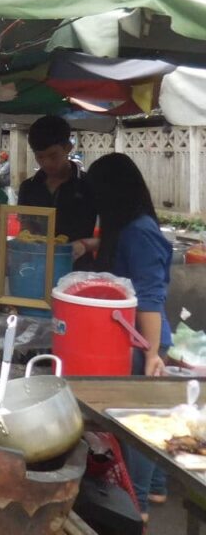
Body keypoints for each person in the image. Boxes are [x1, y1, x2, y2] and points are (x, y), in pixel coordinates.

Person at [80, 153, 172, 522]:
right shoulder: (126, 226)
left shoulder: (140, 231)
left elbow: (150, 294)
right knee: (149, 410)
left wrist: (151, 353)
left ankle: (140, 508)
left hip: (143, 338)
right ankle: (158, 488)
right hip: (131, 335)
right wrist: (89, 245)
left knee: (137, 422)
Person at [17, 116, 97, 265]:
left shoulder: (89, 185)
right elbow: (25, 230)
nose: (46, 163)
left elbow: (113, 236)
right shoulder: (28, 188)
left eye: (53, 155)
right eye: (40, 157)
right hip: (37, 267)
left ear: (68, 147)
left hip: (78, 270)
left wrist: (86, 245)